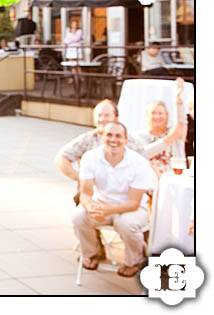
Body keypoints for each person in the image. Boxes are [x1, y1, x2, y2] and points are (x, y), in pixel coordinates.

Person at [53, 99, 182, 204]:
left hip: (124, 193)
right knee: (80, 218)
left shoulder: (127, 140)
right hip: (93, 193)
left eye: (106, 115)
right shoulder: (87, 139)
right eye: (99, 115)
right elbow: (61, 158)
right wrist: (80, 179)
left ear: (116, 117)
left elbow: (145, 161)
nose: (102, 119)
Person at [73, 121, 156, 277]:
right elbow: (85, 193)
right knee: (78, 216)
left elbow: (134, 203)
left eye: (118, 136)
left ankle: (134, 260)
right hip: (101, 205)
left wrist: (108, 210)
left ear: (126, 140)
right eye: (109, 135)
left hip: (134, 209)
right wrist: (90, 206)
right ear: (102, 137)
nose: (113, 140)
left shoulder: (139, 163)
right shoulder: (90, 157)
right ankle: (93, 253)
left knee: (125, 223)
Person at [131, 78, 188, 178]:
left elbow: (182, 122)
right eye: (153, 113)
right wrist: (169, 139)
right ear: (147, 116)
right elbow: (142, 155)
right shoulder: (139, 136)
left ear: (167, 116)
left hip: (175, 178)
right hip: (149, 180)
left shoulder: (176, 133)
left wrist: (178, 100)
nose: (157, 117)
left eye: (160, 113)